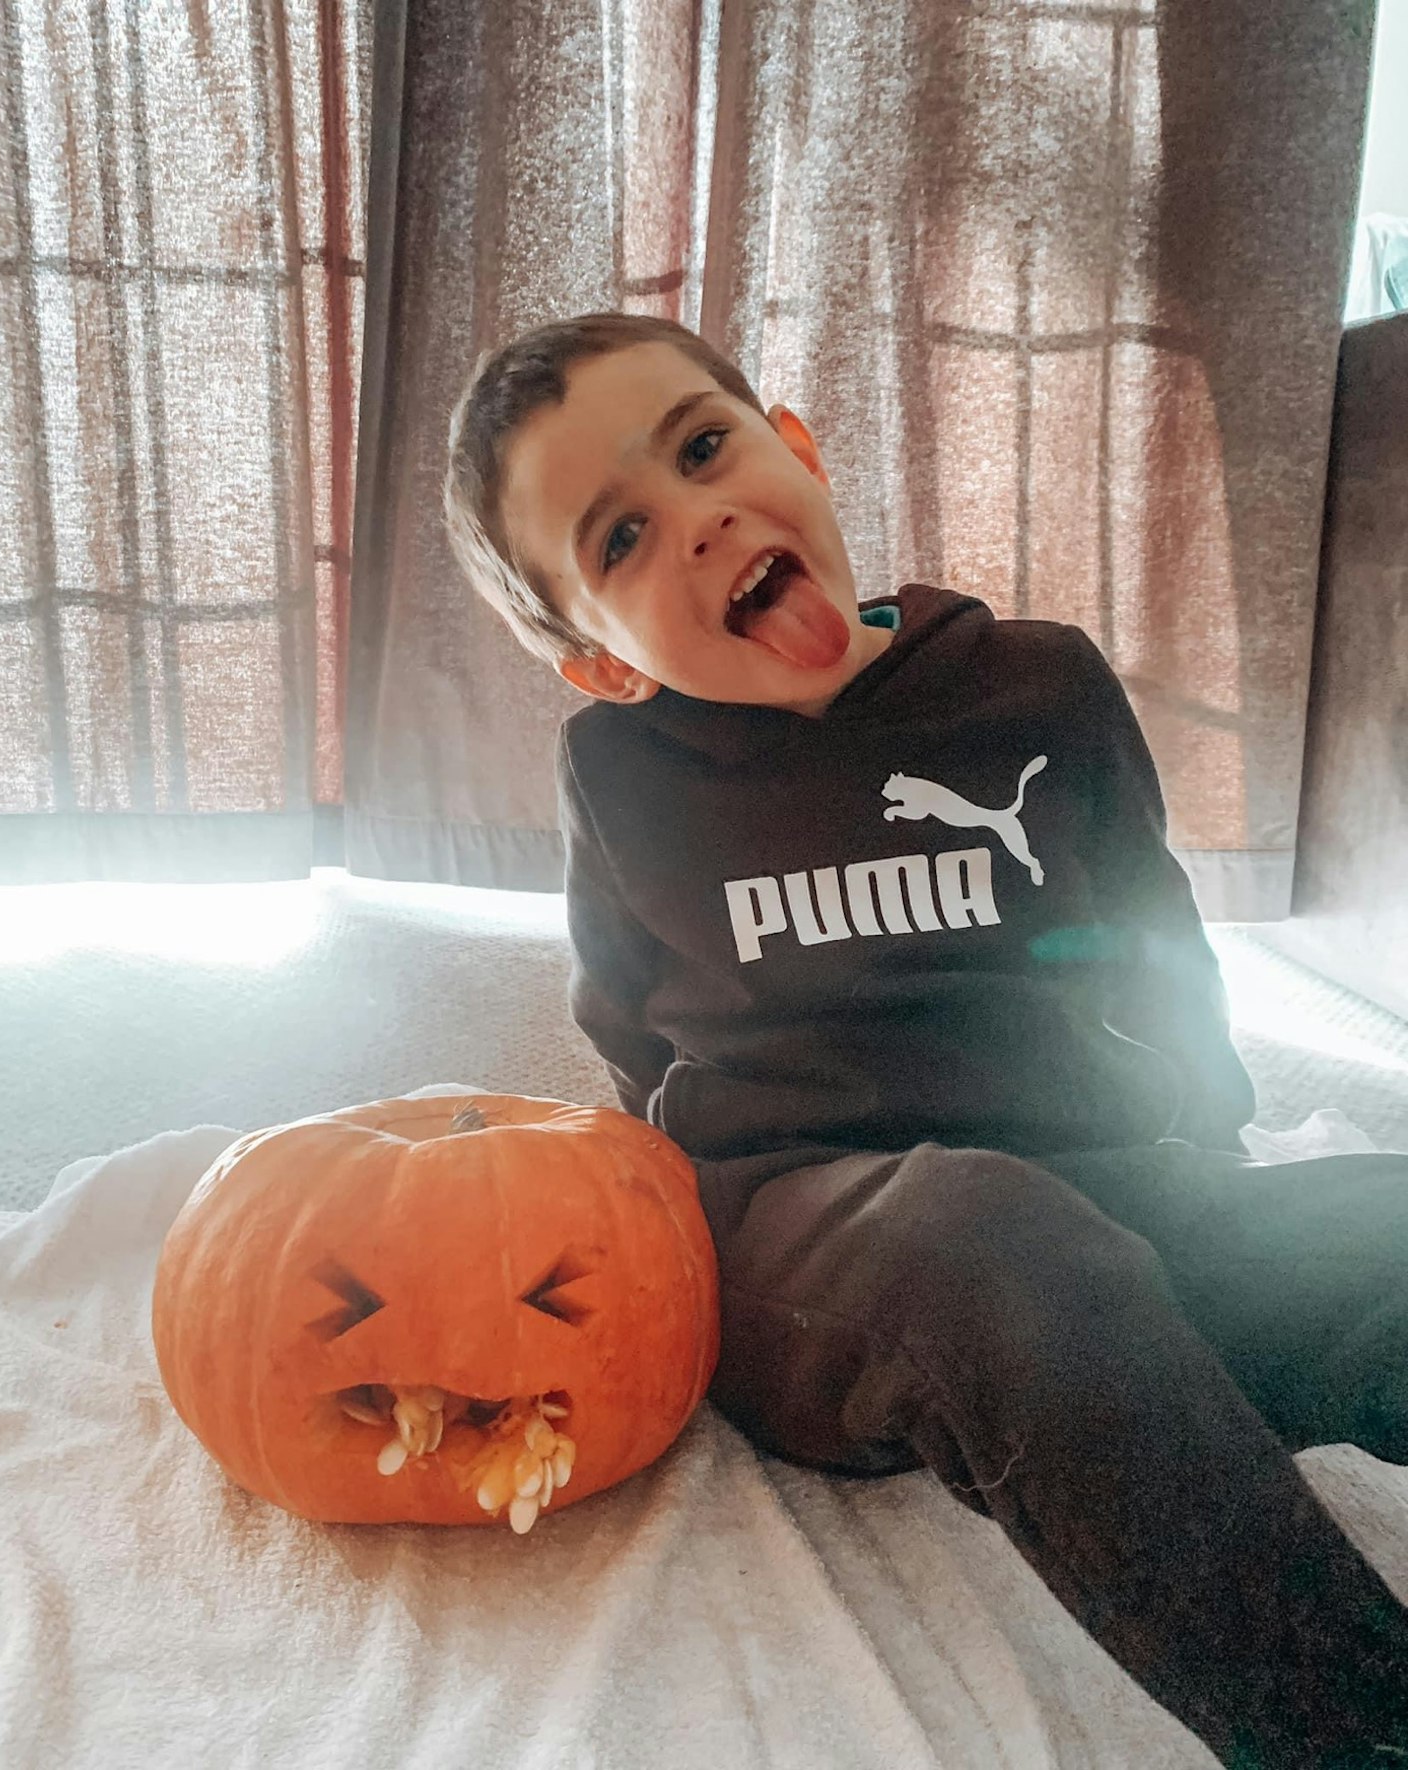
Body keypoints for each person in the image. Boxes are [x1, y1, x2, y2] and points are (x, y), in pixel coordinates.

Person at [445, 310, 1408, 1767]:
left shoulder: (1037, 684)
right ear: (602, 663)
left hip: (1095, 1184)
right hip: (808, 1236)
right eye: (622, 539)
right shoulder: (624, 773)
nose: (697, 521)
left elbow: (1150, 934)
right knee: (986, 1236)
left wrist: (1202, 1133)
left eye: (704, 449)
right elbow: (627, 1020)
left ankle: (1127, 1362)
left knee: (1367, 1232)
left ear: (798, 450)